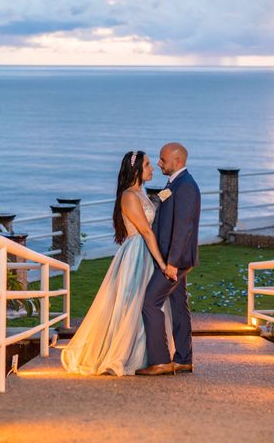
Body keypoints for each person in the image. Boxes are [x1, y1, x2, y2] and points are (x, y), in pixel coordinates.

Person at [61, 150, 173, 376]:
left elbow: (150, 212)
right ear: (136, 170)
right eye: (148, 164)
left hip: (146, 251)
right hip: (137, 253)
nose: (152, 168)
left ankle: (145, 353)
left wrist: (162, 197)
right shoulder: (129, 196)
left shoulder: (139, 193)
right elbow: (146, 232)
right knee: (130, 302)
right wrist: (163, 264)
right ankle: (122, 352)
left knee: (145, 303)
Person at [136, 142, 201, 376]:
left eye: (163, 160)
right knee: (177, 305)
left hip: (177, 260)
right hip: (176, 258)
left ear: (178, 161)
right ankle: (184, 359)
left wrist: (172, 262)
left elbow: (183, 227)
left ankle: (161, 361)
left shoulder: (186, 187)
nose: (159, 163)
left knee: (150, 303)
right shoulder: (176, 183)